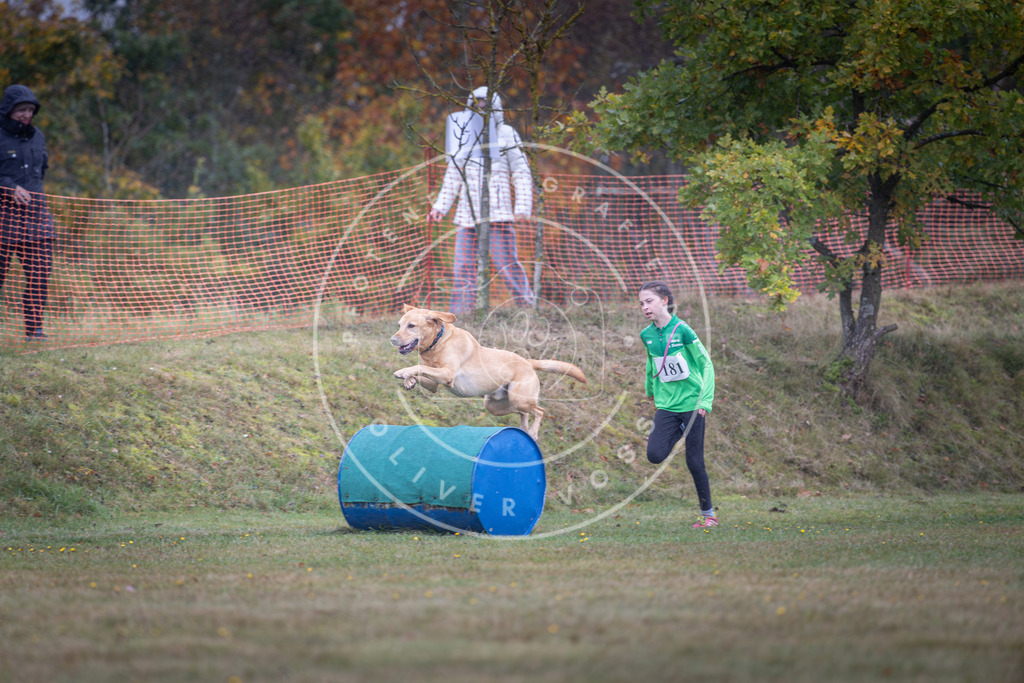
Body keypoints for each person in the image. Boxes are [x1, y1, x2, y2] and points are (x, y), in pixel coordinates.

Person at [427, 86, 534, 314]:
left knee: (506, 264)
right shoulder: (464, 132)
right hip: (467, 215)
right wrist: (440, 207)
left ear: (494, 105)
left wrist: (523, 206)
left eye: (485, 103)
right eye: (477, 103)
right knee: (463, 266)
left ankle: (527, 307)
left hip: (498, 214)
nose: (481, 107)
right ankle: (461, 314)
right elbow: (453, 173)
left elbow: (522, 171)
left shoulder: (507, 133)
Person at [638, 280, 718, 528]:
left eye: (649, 301)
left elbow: (706, 364)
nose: (644, 307)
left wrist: (706, 400)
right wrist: (649, 389)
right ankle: (681, 429)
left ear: (664, 301)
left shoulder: (683, 330)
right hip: (666, 406)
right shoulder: (646, 334)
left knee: (694, 461)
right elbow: (652, 363)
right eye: (641, 303)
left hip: (693, 404)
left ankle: (708, 516)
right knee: (654, 455)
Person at [0, 84, 54, 341]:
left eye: (30, 110)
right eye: (21, 110)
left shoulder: (38, 136)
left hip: (36, 219)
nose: (26, 115)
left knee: (40, 276)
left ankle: (35, 331)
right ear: (9, 110)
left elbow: (41, 170)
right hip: (3, 219)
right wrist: (9, 188)